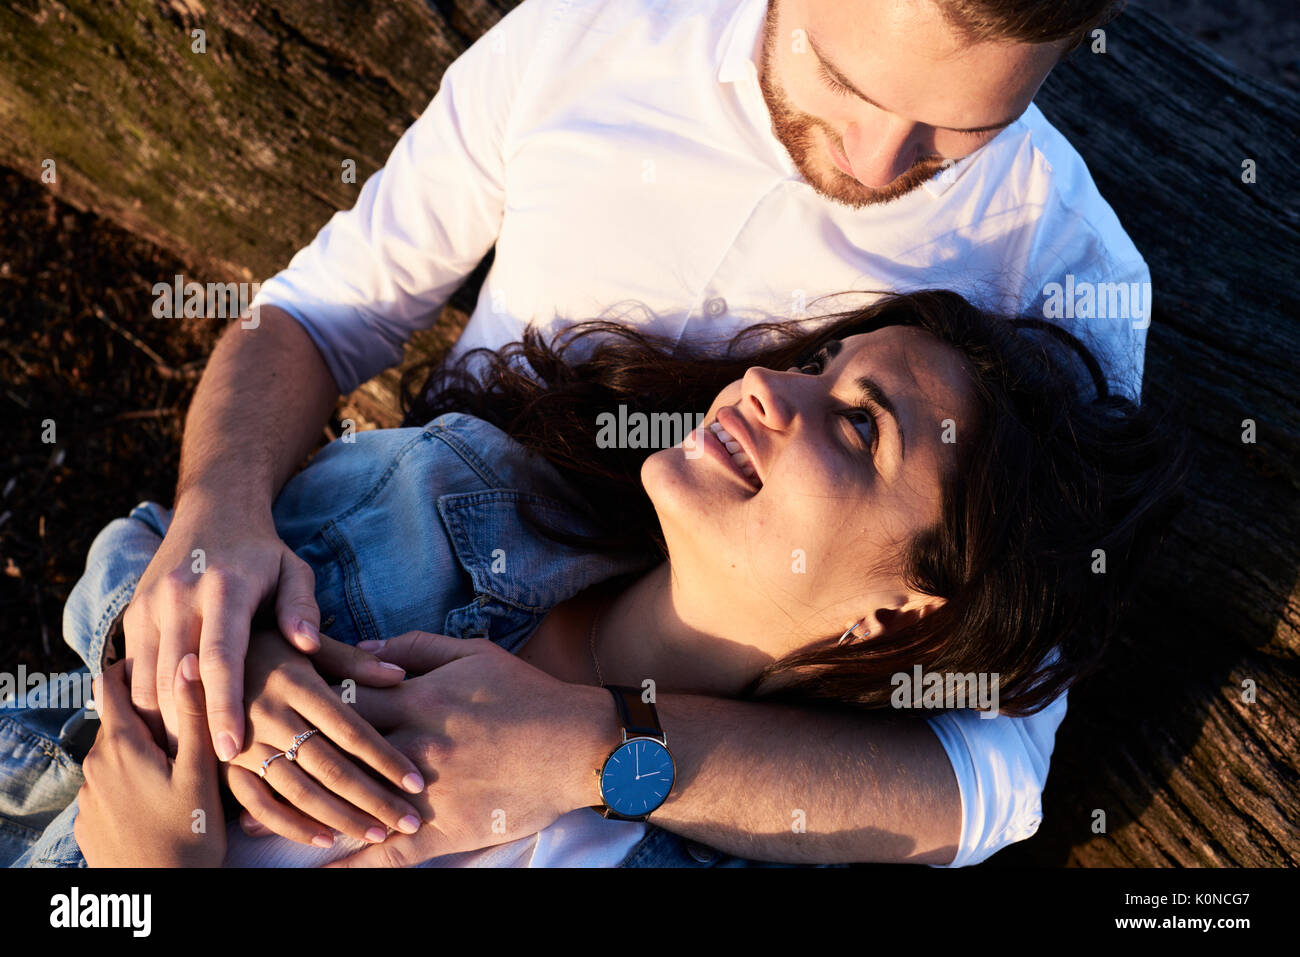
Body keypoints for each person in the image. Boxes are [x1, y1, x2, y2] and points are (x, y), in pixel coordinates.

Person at [109, 0, 1154, 867]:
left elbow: (990, 777)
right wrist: (224, 530)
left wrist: (594, 747)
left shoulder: (1063, 275)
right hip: (414, 543)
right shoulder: (596, 31)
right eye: (845, 80)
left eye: (961, 129)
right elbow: (323, 312)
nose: (878, 160)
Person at [5, 291, 1183, 867]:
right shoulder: (465, 496)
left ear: (902, 613)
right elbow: (143, 549)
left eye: (861, 426)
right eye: (823, 361)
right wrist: (217, 649)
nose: (776, 386)